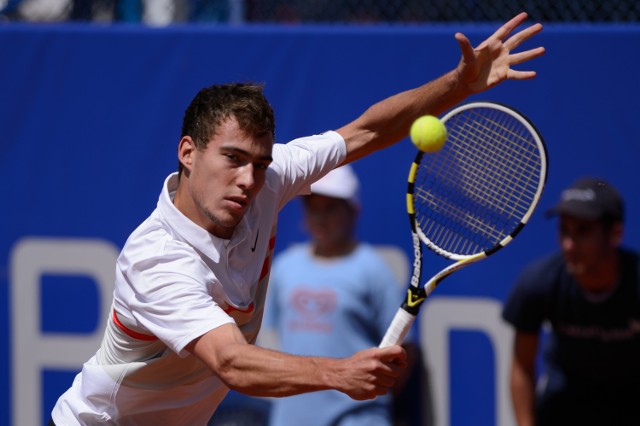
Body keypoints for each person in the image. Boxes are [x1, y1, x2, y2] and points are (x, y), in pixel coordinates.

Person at [50, 12, 544, 425]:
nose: (248, 179)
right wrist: (338, 373)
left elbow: (366, 132)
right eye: (233, 159)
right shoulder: (157, 260)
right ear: (188, 153)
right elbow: (231, 362)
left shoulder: (269, 178)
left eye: (260, 164)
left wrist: (458, 84)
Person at [261, 165, 413, 426]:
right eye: (313, 208)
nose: (320, 217)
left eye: (330, 208)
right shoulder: (285, 266)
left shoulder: (374, 271)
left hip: (359, 419)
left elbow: (404, 351)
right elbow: (271, 341)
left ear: (352, 211)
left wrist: (370, 393)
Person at [502, 177, 640, 426]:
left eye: (583, 231)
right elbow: (522, 366)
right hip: (564, 405)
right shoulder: (539, 283)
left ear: (615, 234)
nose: (568, 244)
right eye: (564, 230)